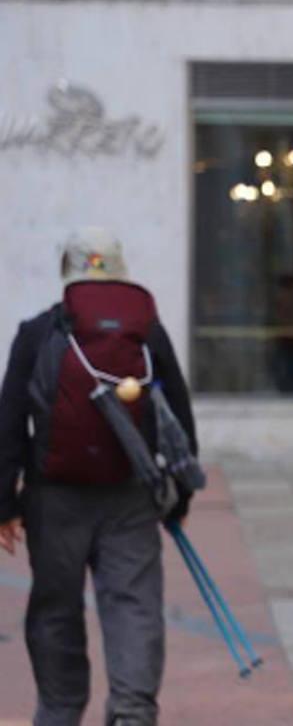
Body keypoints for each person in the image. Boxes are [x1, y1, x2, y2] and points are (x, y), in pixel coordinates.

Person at [0, 227, 198, 726]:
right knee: (133, 606)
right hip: (130, 494)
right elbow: (177, 409)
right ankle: (132, 712)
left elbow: (9, 420)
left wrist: (5, 502)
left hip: (53, 498)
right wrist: (178, 498)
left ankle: (59, 711)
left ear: (66, 270)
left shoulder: (38, 331)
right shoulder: (145, 332)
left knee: (55, 609)